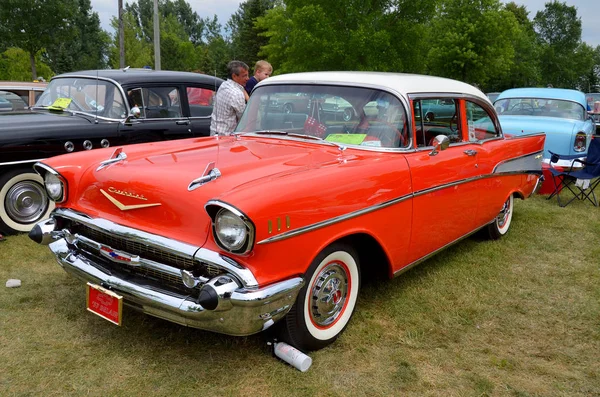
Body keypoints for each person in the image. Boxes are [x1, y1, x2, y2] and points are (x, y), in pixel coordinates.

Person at [210, 61, 250, 136]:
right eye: (244, 76)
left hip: (214, 133)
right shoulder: (236, 93)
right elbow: (244, 119)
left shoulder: (224, 85)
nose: (248, 78)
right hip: (227, 137)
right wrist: (248, 99)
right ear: (234, 76)